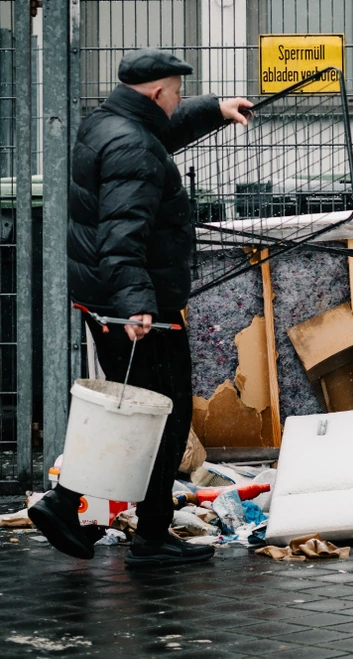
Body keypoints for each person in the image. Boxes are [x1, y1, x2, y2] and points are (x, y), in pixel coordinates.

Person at [29, 48, 252, 568]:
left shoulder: (108, 123)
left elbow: (158, 134)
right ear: (155, 93)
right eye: (176, 93)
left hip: (109, 299)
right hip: (136, 306)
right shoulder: (133, 145)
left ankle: (74, 506)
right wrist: (136, 305)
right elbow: (122, 233)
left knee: (132, 412)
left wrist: (214, 109)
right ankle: (143, 534)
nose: (178, 100)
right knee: (164, 417)